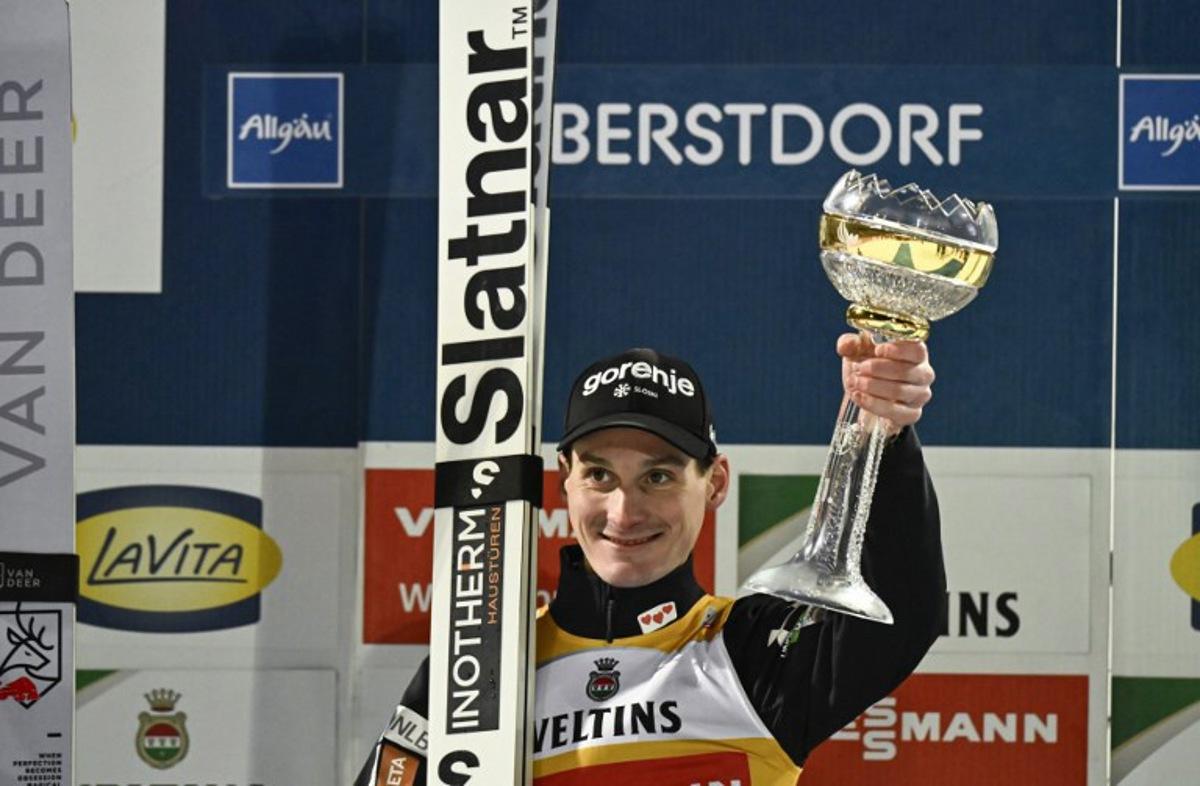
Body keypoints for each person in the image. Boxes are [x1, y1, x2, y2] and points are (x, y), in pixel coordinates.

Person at [356, 335, 944, 786]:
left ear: (714, 484)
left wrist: (881, 430)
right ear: (565, 482)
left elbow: (901, 611)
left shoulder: (748, 648)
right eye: (599, 475)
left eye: (658, 476)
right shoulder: (483, 664)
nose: (623, 511)